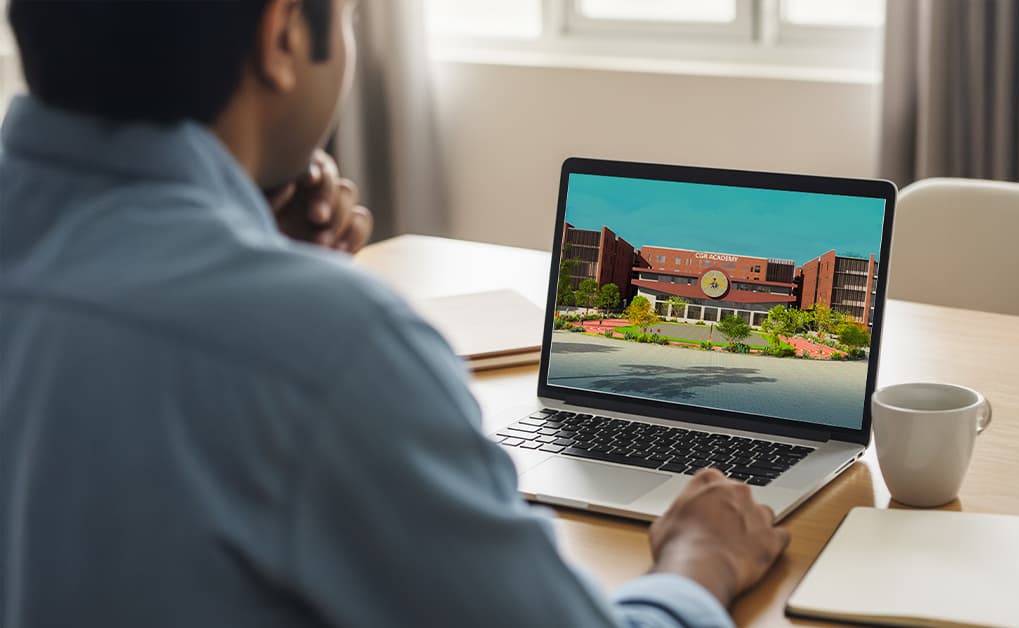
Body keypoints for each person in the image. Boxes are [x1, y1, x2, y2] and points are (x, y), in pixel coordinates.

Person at [0, 1, 789, 627]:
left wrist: (255, 245)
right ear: (281, 35)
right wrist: (699, 562)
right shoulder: (334, 346)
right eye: (344, 16)